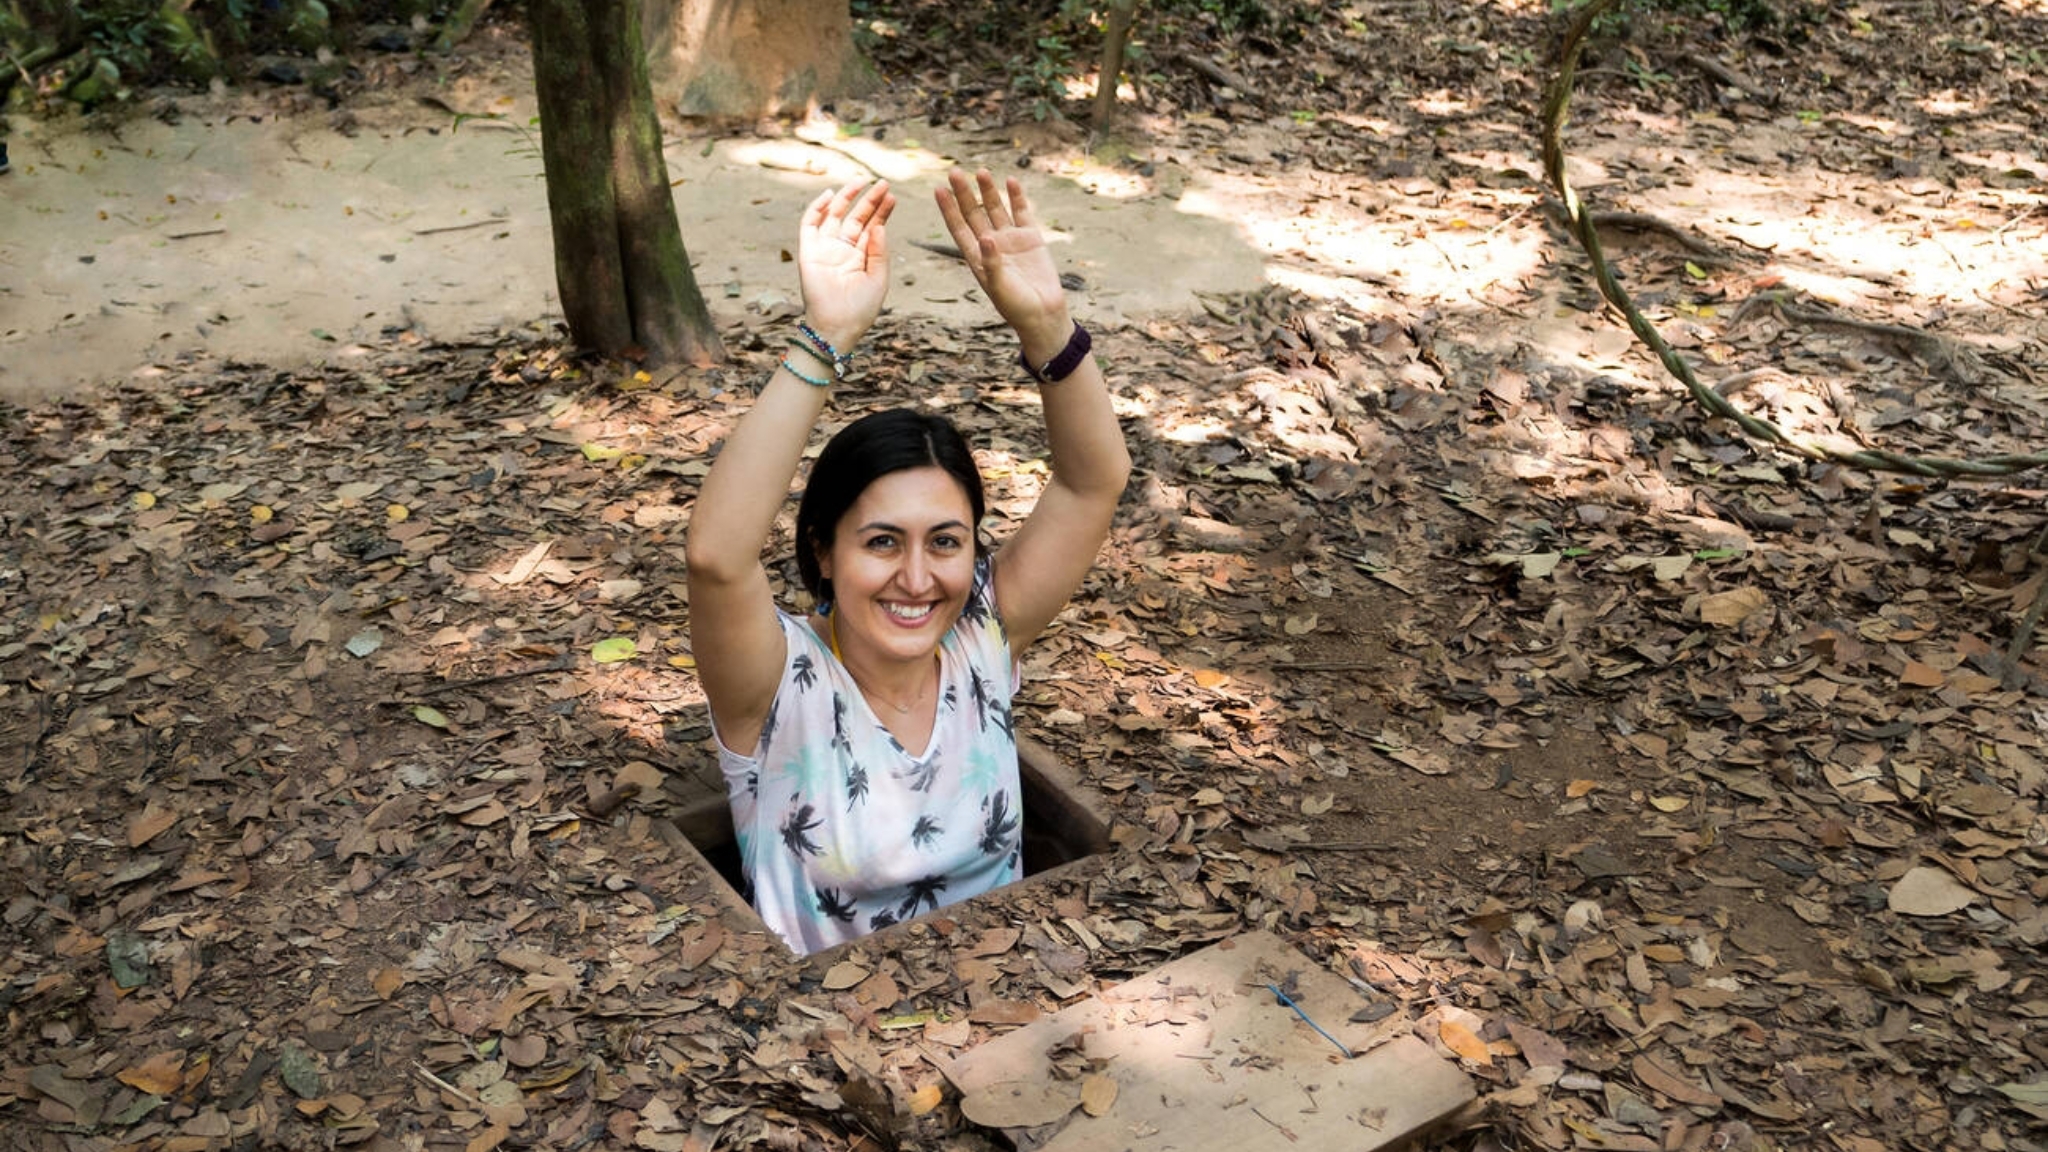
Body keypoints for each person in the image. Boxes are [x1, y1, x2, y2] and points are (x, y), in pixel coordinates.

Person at [686, 171, 1131, 955]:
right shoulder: (775, 686)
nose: (919, 579)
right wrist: (824, 339)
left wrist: (1050, 326)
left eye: (946, 541)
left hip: (1012, 1010)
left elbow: (1093, 482)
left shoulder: (981, 640)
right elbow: (718, 558)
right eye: (882, 541)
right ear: (823, 548)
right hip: (826, 1048)